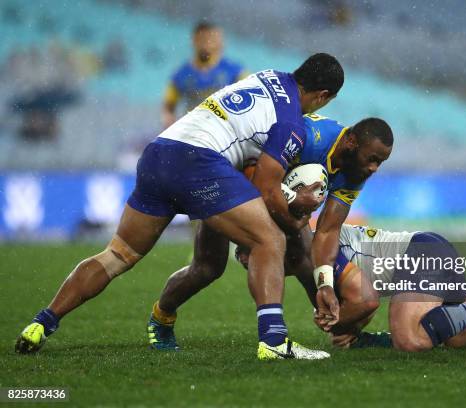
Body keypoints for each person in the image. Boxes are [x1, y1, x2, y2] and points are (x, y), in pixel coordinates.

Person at [15, 53, 344, 361]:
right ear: (323, 95)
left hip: (159, 153)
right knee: (270, 239)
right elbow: (267, 190)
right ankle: (273, 341)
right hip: (200, 163)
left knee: (119, 255)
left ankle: (43, 322)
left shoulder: (268, 76)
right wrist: (296, 219)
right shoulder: (291, 123)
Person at [148, 113, 394, 359]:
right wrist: (292, 198)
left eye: (380, 162)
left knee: (307, 258)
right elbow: (250, 168)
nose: (374, 168)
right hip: (228, 184)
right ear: (351, 142)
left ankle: (344, 334)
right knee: (207, 268)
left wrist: (326, 284)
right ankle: (162, 317)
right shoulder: (309, 137)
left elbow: (328, 230)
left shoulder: (355, 172)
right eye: (372, 159)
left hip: (277, 203)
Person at [236, 224, 466, 351]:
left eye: (250, 256)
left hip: (421, 254)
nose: (251, 264)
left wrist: (345, 324)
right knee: (457, 337)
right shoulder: (309, 263)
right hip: (428, 253)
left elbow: (364, 301)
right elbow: (354, 299)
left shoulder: (318, 252)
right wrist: (350, 328)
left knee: (409, 339)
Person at [162, 21, 247, 128]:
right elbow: (168, 107)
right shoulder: (180, 74)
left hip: (225, 134)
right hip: (193, 132)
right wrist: (170, 123)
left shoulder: (236, 72)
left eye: (211, 39)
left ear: (219, 42)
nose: (206, 44)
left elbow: (250, 103)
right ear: (194, 41)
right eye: (202, 39)